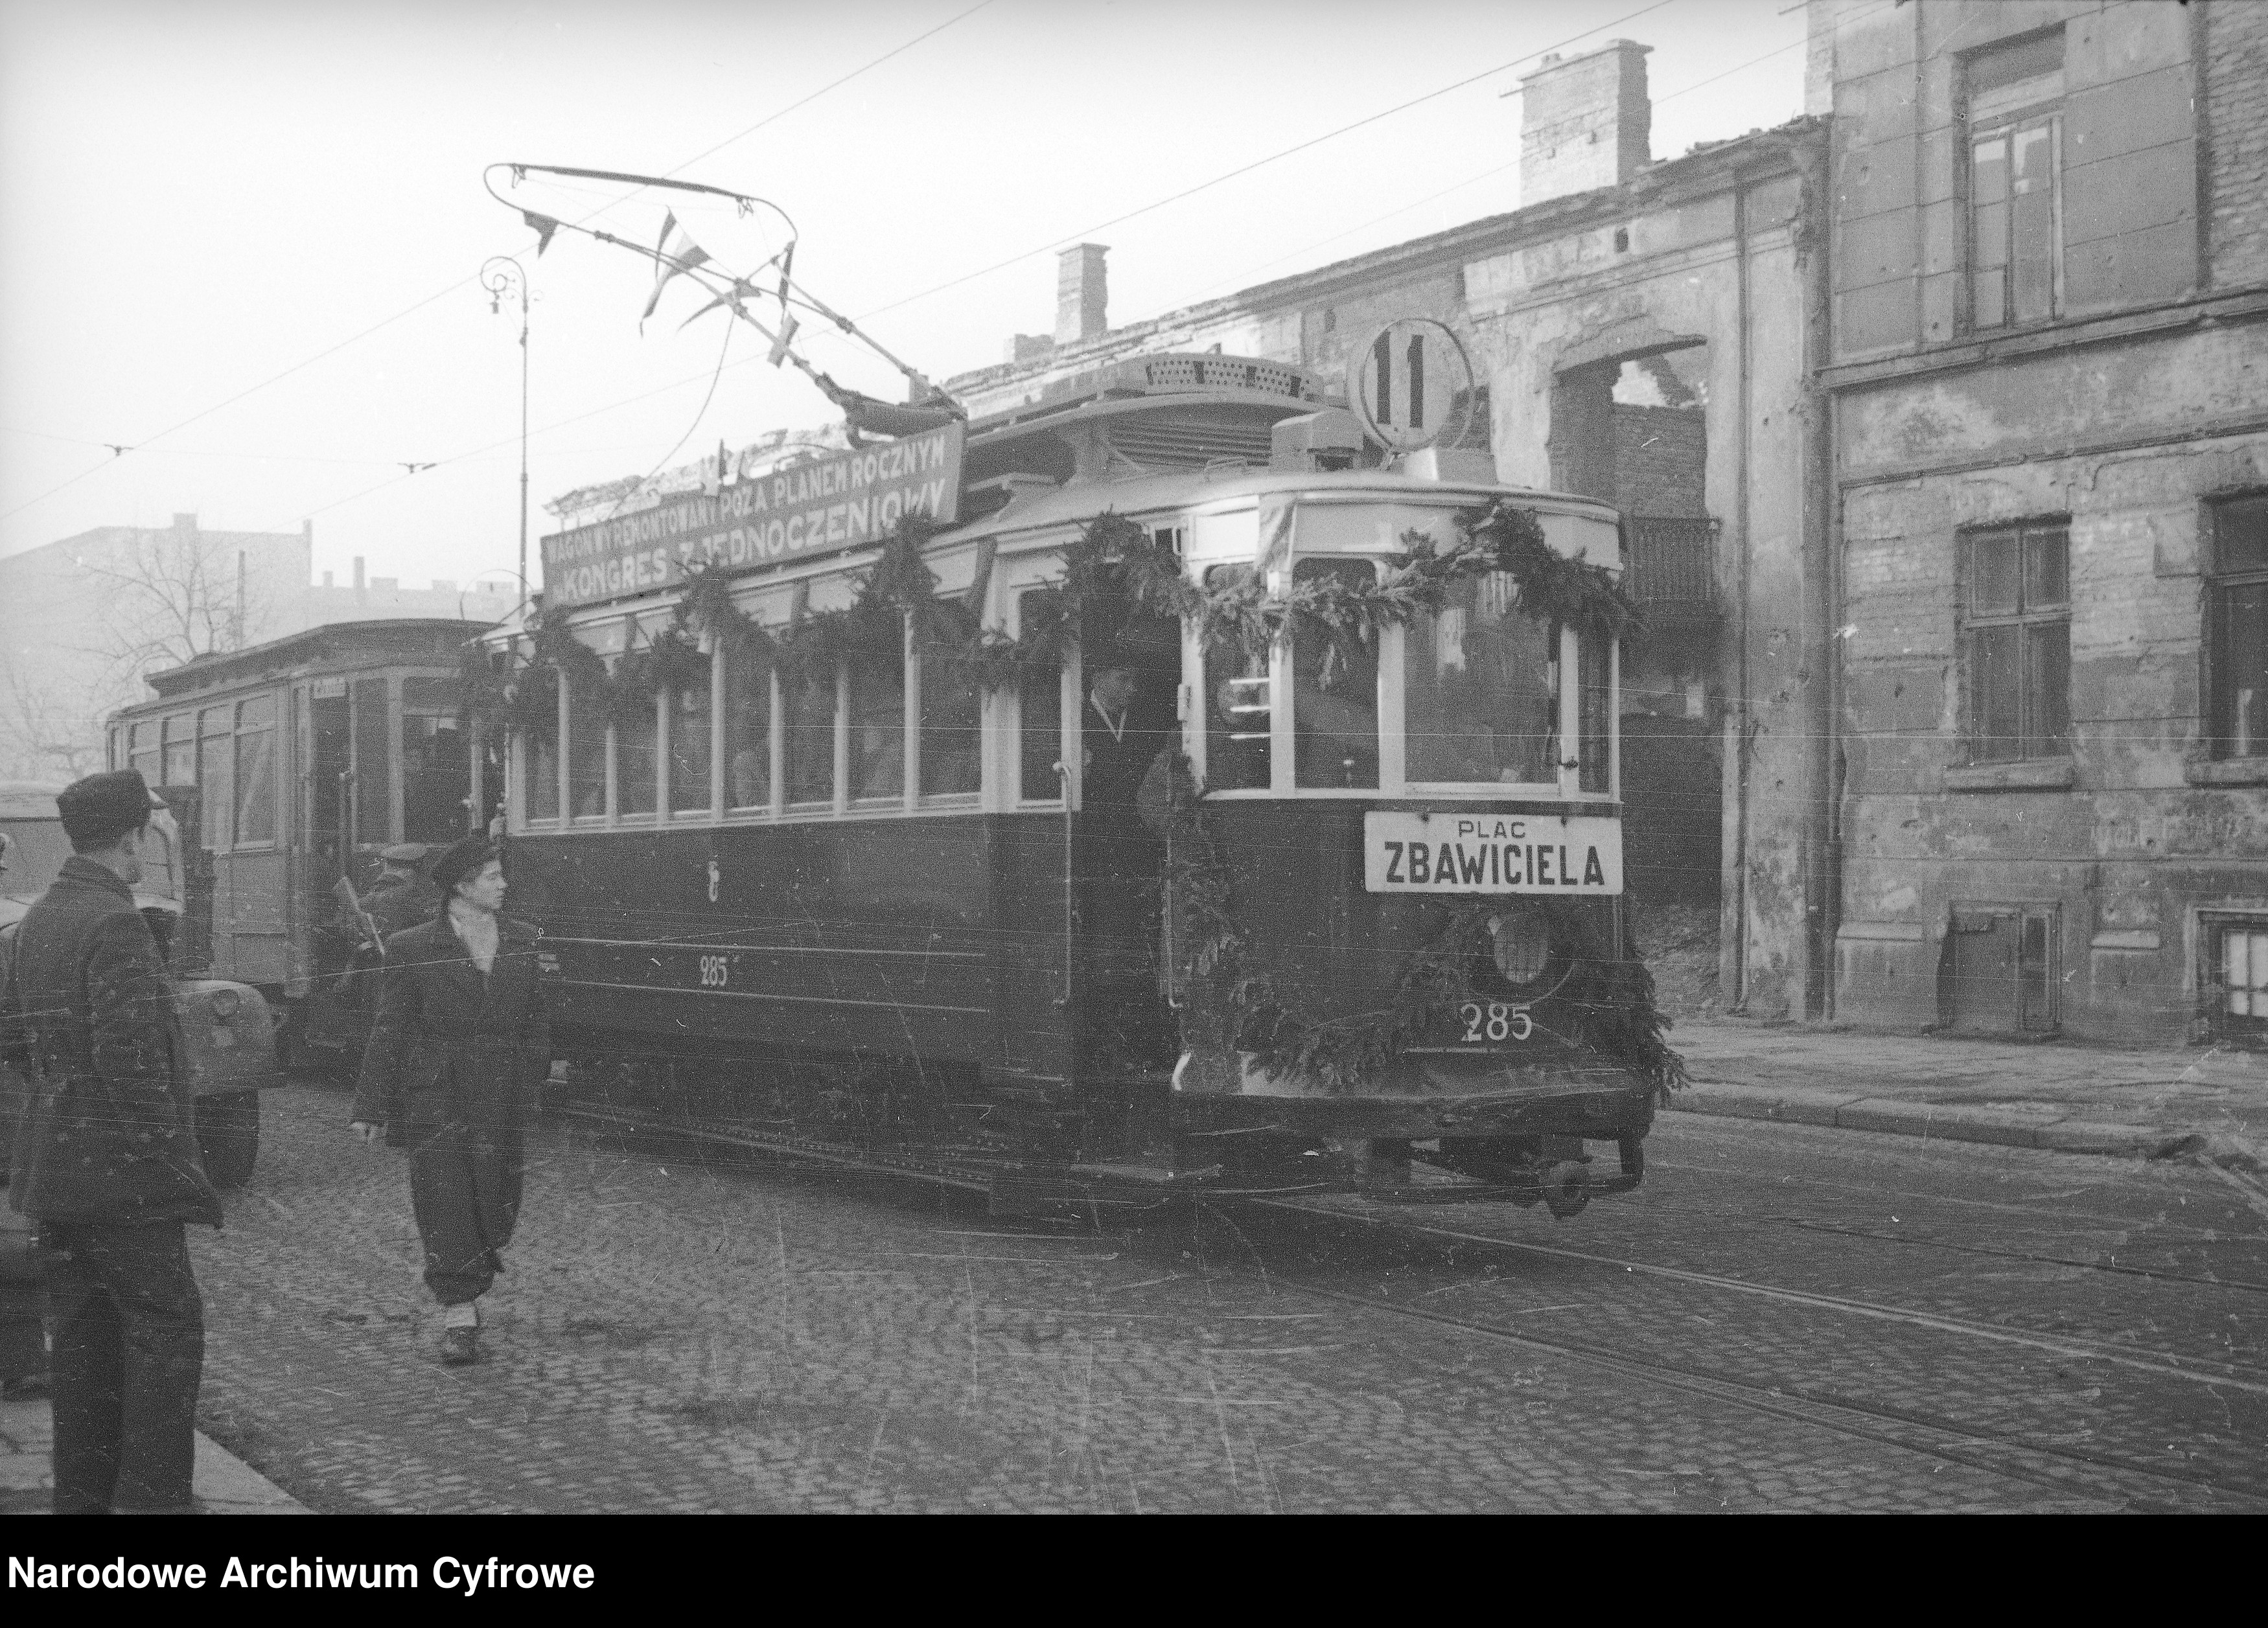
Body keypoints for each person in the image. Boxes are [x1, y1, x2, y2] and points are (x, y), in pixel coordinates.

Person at [3, 769, 222, 1513]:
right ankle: (157, 1499)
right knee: (165, 1330)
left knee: (83, 1341)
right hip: (125, 1179)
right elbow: (131, 1058)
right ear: (131, 838)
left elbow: (12, 1038)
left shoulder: (39, 917)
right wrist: (166, 1151)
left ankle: (83, 1497)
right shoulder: (115, 922)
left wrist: (62, 1099)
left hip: (60, 1172)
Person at [349, 836, 548, 1366]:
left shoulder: (523, 939)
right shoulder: (413, 946)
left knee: (497, 1196)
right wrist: (370, 1107)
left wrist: (531, 1082)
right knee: (445, 1197)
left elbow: (536, 1020)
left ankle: (471, 1276)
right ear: (462, 886)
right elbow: (390, 1028)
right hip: (438, 1091)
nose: (503, 884)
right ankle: (459, 1312)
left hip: (501, 1090)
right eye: (492, 876)